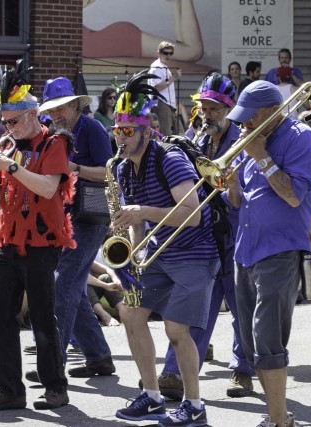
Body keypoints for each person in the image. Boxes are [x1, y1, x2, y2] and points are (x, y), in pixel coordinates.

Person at [110, 69, 219, 426]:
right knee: (129, 313)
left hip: (194, 254)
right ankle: (152, 396)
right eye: (117, 131)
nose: (121, 139)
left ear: (146, 130)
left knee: (175, 328)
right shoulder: (124, 169)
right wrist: (134, 256)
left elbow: (191, 216)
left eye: (128, 132)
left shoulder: (170, 159)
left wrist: (141, 211)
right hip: (161, 252)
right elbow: (139, 221)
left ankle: (194, 404)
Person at [0, 61, 74, 411]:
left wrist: (12, 167)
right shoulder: (8, 147)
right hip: (9, 239)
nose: (7, 127)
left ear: (33, 114)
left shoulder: (54, 144)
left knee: (42, 316)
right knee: (1, 317)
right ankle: (10, 390)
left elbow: (49, 189)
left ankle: (55, 386)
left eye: (13, 121)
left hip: (43, 242)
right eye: (4, 122)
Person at [225, 80, 311, 427]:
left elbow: (295, 195)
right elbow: (238, 203)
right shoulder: (252, 142)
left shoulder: (300, 137)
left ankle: (279, 421)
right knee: (251, 345)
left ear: (269, 112)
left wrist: (262, 157)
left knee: (268, 341)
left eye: (249, 118)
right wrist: (232, 184)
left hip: (279, 250)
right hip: (246, 250)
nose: (243, 125)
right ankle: (278, 416)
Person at [158, 72, 256, 401]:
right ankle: (176, 372)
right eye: (203, 107)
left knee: (242, 306)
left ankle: (242, 370)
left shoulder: (243, 140)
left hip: (236, 231)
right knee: (196, 304)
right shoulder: (196, 137)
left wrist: (230, 185)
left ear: (229, 109)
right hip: (204, 234)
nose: (207, 114)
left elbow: (242, 195)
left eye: (214, 108)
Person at [24, 76, 116, 384]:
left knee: (62, 286)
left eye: (61, 107)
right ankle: (99, 357)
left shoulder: (92, 129)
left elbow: (109, 173)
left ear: (76, 104)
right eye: (51, 108)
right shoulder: (53, 131)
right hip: (64, 215)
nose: (55, 113)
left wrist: (73, 168)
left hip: (89, 215)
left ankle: (52, 363)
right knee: (71, 288)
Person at [149, 41, 181, 136]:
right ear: (158, 53)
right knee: (165, 133)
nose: (168, 55)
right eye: (165, 53)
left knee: (176, 132)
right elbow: (155, 87)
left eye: (171, 53)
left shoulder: (163, 66)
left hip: (168, 104)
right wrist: (173, 78)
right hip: (161, 103)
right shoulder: (157, 67)